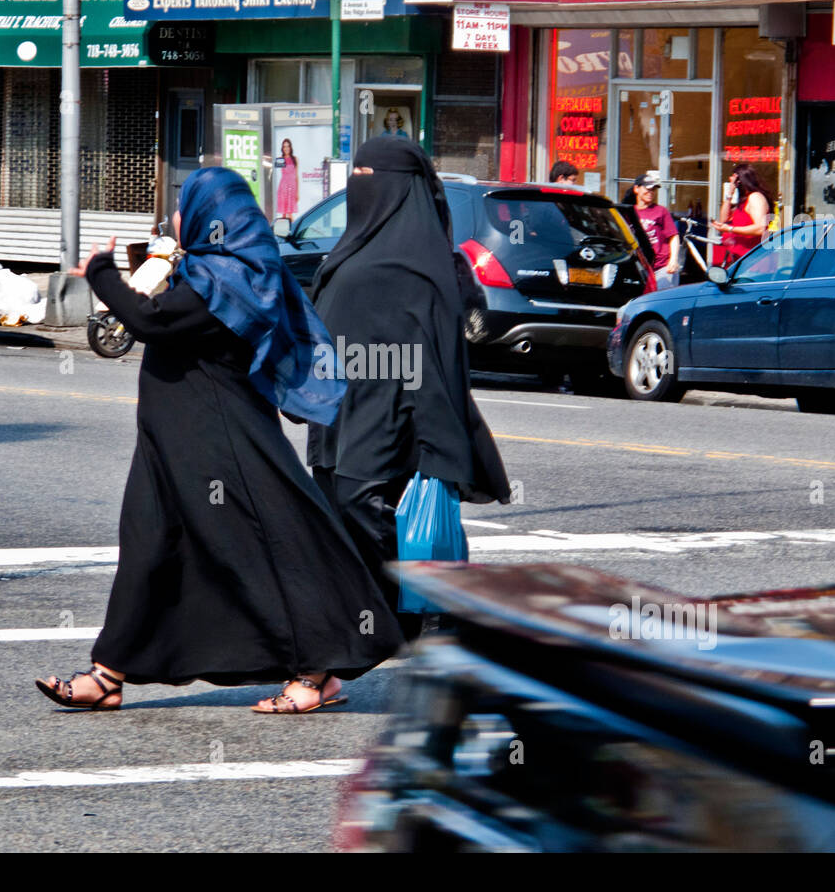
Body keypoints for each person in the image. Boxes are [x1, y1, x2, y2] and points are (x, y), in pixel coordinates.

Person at [36, 166, 403, 714]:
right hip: (169, 444)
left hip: (219, 442)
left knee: (272, 545)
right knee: (148, 547)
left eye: (183, 207)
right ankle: (108, 674)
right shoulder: (213, 270)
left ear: (212, 218)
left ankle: (316, 672)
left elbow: (154, 323)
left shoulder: (232, 279)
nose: (176, 217)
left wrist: (102, 271)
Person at [306, 137, 511, 636]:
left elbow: (440, 358)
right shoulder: (357, 243)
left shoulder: (425, 265)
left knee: (363, 504)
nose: (360, 185)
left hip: (392, 410)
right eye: (356, 174)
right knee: (335, 506)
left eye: (370, 176)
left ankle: (403, 614)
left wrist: (439, 438)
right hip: (341, 408)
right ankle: (377, 617)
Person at [711, 163, 771, 268]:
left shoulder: (755, 197)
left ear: (740, 181)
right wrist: (730, 194)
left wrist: (730, 229)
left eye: (733, 179)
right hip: (739, 259)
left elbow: (760, 228)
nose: (730, 180)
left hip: (753, 261)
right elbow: (724, 219)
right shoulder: (744, 201)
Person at [631, 173, 680, 289]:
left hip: (661, 267)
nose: (651, 192)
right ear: (636, 189)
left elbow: (673, 236)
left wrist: (673, 259)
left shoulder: (661, 211)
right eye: (647, 188)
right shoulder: (629, 212)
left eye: (653, 189)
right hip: (639, 268)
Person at [275, 137, 298, 221]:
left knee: (290, 212)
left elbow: (296, 176)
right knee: (284, 213)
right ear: (282, 148)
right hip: (283, 187)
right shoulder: (280, 159)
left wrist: (297, 192)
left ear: (290, 147)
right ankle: (283, 230)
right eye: (284, 146)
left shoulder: (295, 159)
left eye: (288, 146)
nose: (286, 148)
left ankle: (293, 228)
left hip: (292, 187)